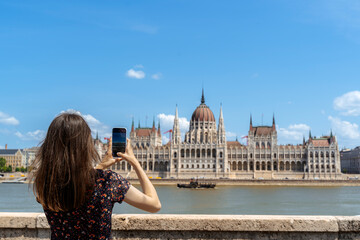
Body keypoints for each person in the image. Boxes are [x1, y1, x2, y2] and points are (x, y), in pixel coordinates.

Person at [31, 113, 161, 239]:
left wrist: (101, 165)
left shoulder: (44, 183)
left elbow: (77, 184)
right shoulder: (108, 181)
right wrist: (134, 162)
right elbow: (154, 204)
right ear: (85, 147)